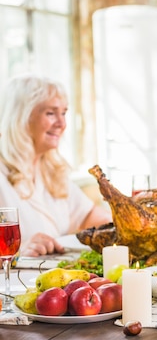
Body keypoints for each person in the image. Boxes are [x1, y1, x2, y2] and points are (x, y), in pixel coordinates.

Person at [0, 74, 112, 257]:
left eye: (64, 113)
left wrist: (121, 227)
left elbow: (89, 215)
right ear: (20, 118)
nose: (62, 123)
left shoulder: (51, 171)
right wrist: (17, 252)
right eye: (51, 113)